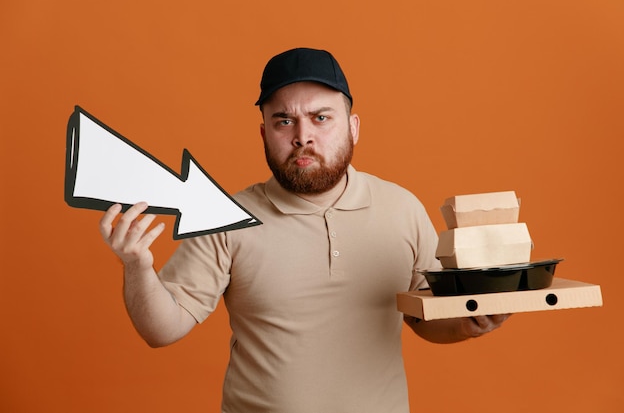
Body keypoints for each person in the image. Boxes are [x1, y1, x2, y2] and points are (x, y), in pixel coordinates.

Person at [99, 47, 510, 413]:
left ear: (353, 128)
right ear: (264, 133)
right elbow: (161, 329)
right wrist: (137, 266)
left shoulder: (401, 208)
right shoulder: (226, 217)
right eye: (284, 121)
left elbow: (426, 317)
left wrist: (468, 323)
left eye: (320, 118)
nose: (303, 137)